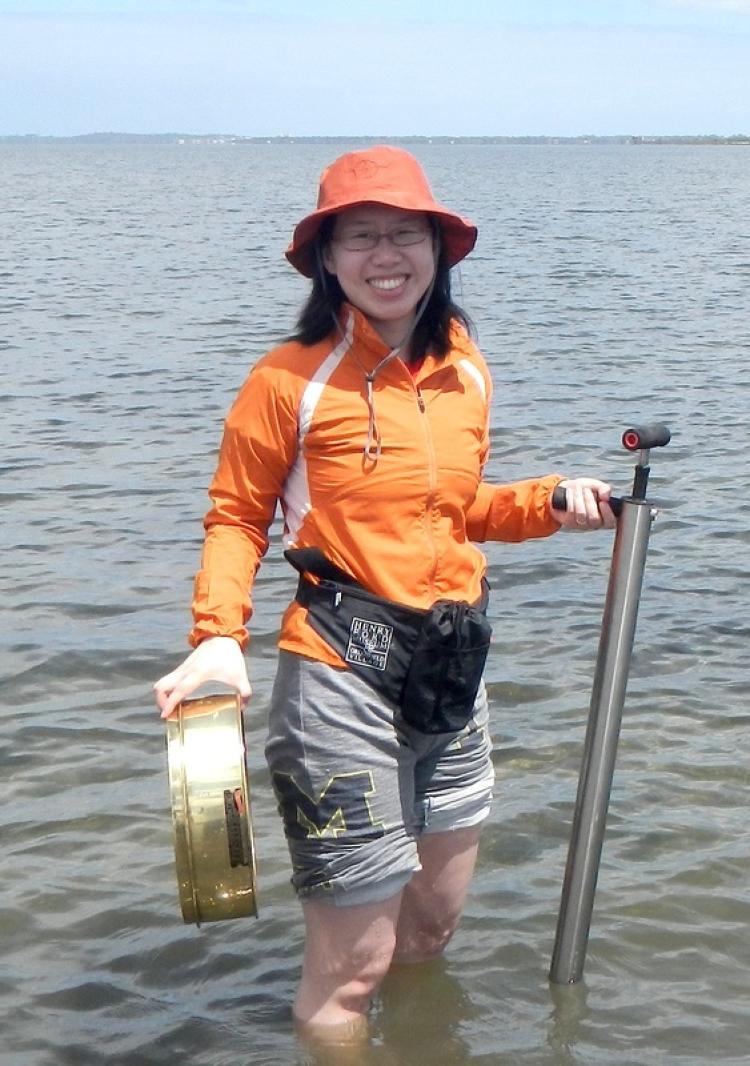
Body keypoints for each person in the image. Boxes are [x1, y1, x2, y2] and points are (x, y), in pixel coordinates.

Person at [154, 145, 615, 1044]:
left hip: (450, 670)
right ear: (327, 259)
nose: (385, 255)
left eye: (404, 234)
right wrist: (218, 634)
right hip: (340, 672)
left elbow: (453, 510)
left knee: (431, 928)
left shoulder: (465, 368)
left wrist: (548, 503)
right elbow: (238, 517)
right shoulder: (288, 379)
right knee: (350, 974)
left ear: (438, 251)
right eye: (361, 236)